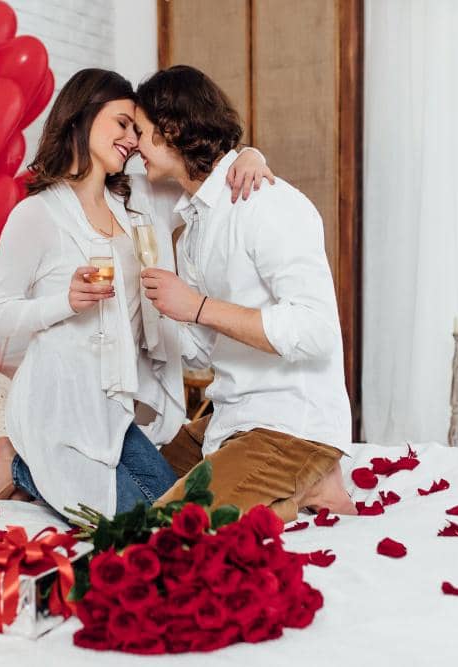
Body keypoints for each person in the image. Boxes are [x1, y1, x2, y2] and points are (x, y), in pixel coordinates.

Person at [0, 68, 273, 518]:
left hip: (115, 404)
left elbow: (202, 169)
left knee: (175, 507)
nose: (134, 140)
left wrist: (249, 154)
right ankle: (19, 462)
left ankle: (27, 465)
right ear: (83, 115)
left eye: (138, 130)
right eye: (123, 124)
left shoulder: (140, 197)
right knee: (141, 521)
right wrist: (67, 302)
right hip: (62, 400)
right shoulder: (35, 216)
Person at [135, 65, 357, 521]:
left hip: (289, 424)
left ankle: (303, 474)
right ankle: (301, 490)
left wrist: (196, 306)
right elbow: (202, 353)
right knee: (127, 488)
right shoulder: (194, 226)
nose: (134, 144)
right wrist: (158, 314)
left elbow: (316, 331)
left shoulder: (266, 204)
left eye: (140, 131)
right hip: (229, 418)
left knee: (167, 525)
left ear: (172, 129)